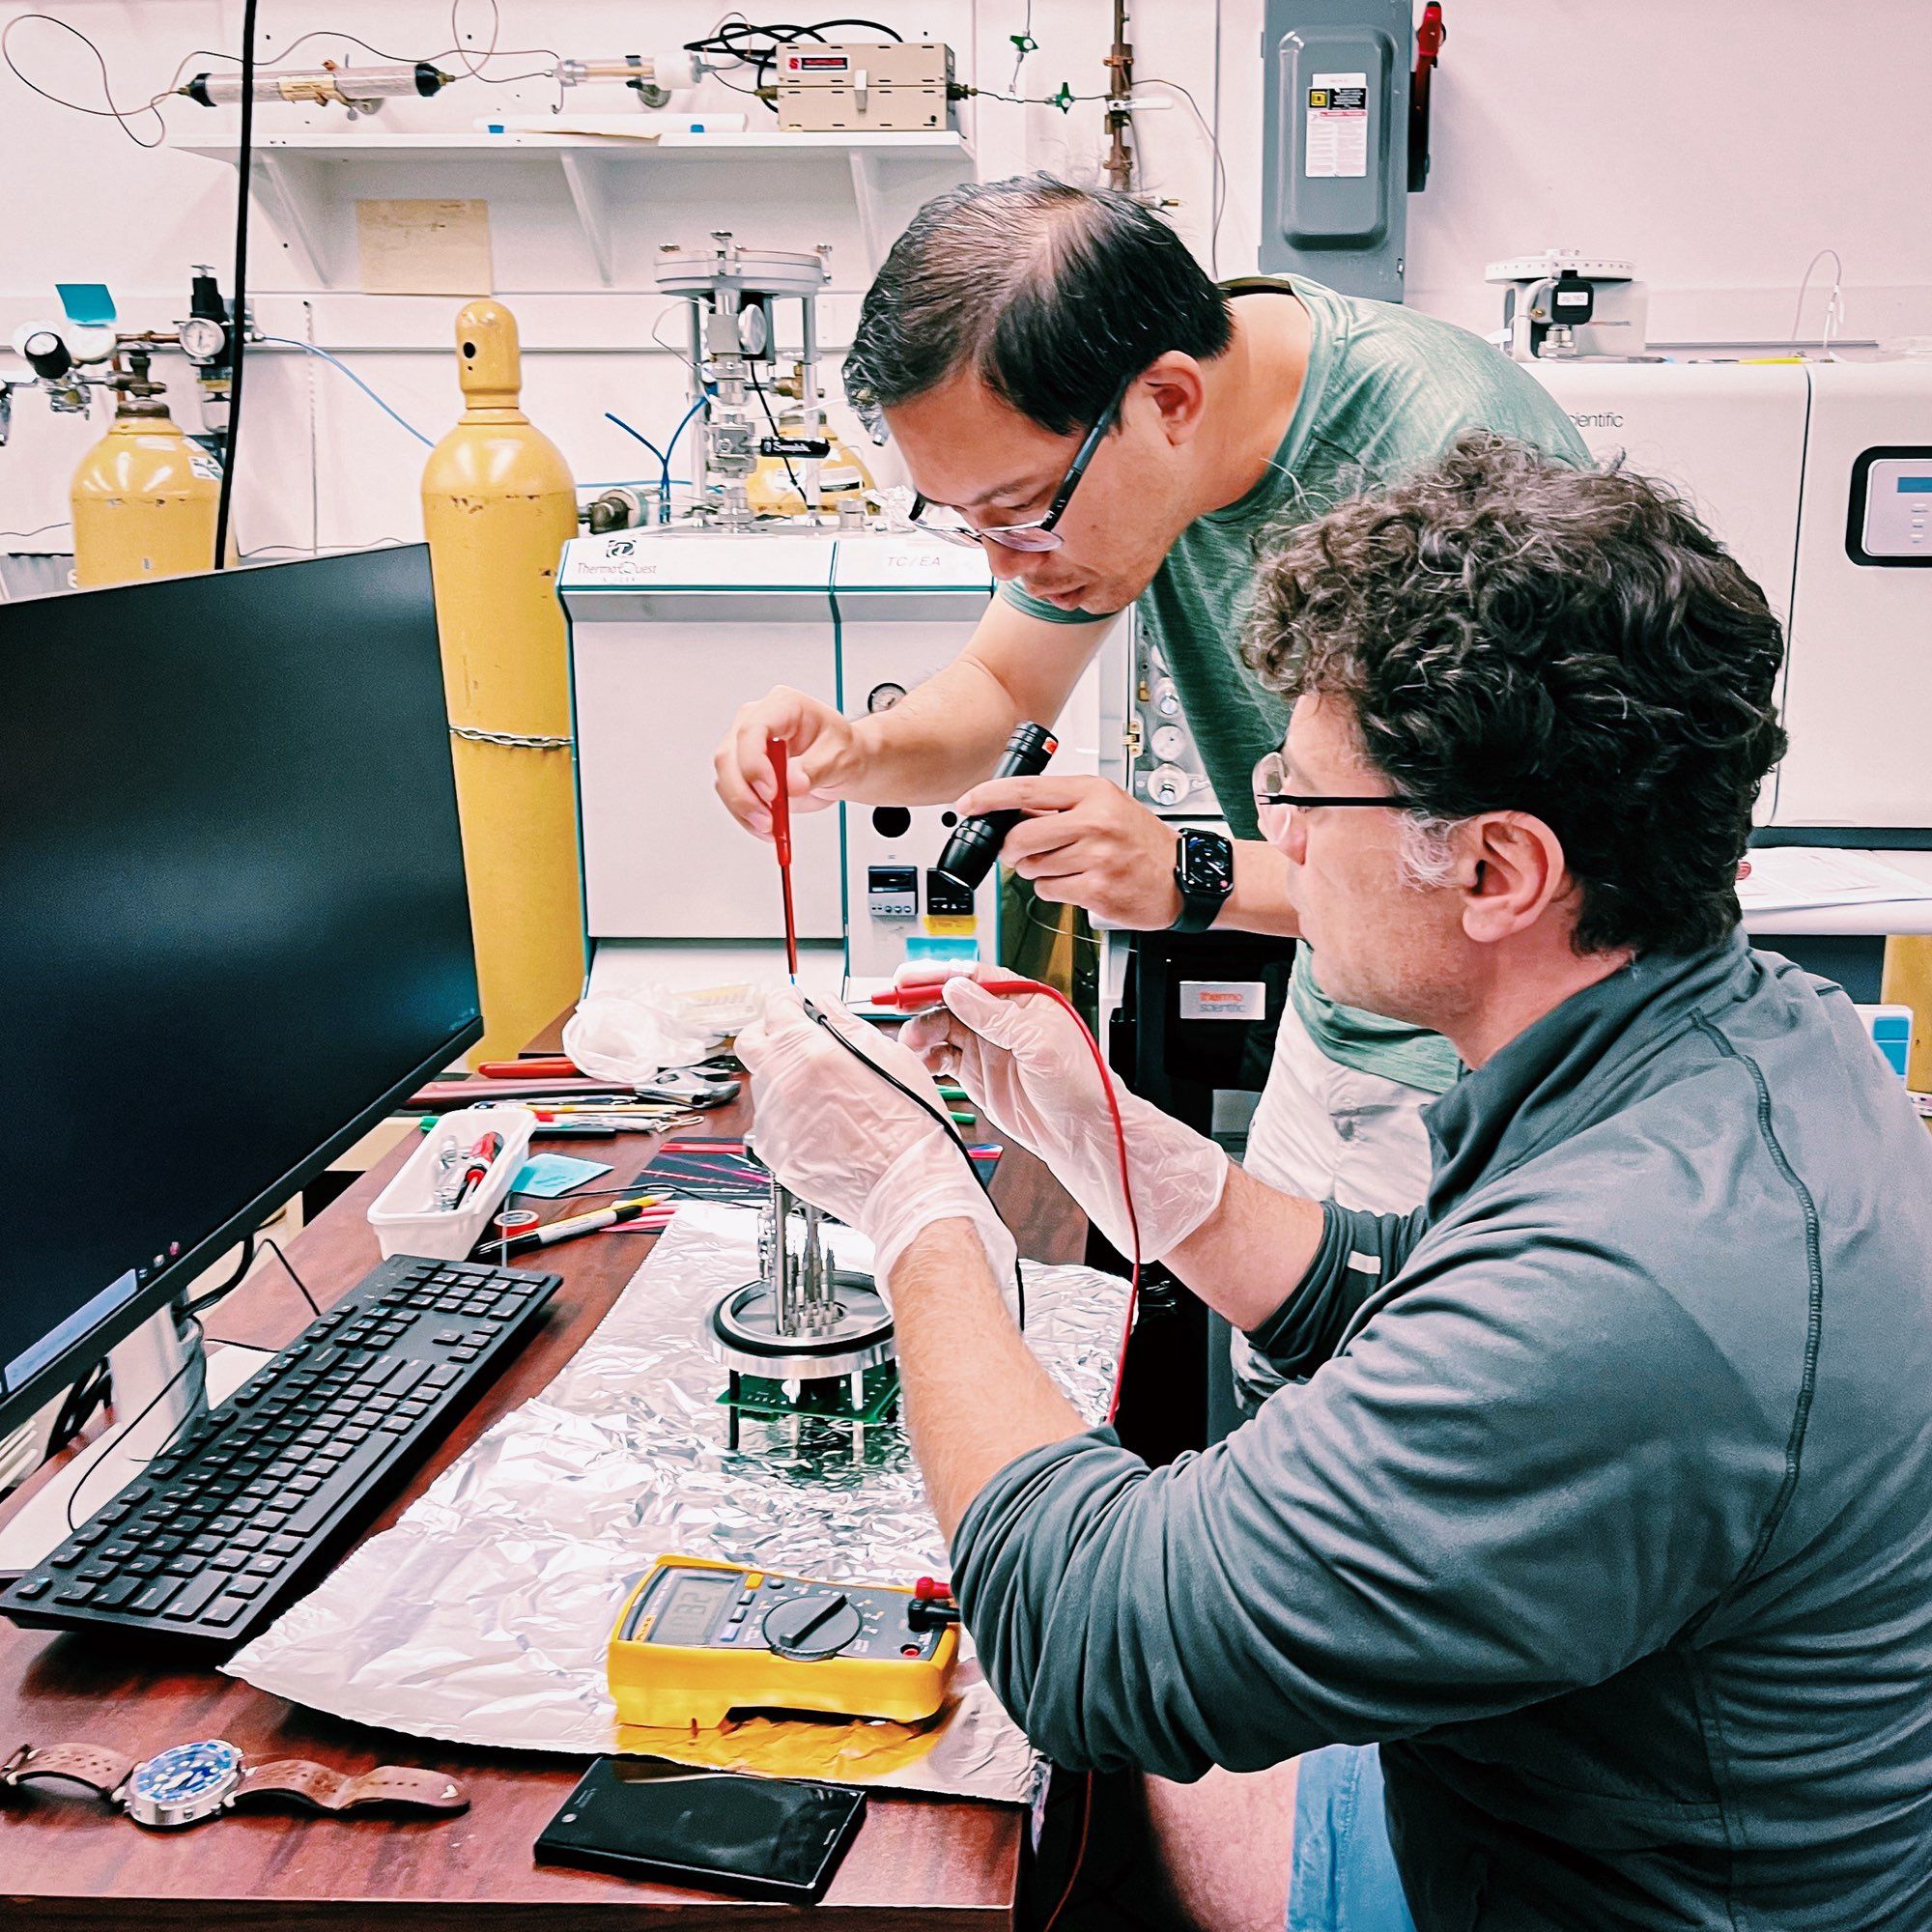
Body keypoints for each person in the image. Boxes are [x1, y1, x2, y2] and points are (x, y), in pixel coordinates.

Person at [734, 436, 1932, 1932]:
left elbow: (1095, 1637)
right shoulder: (1759, 1053)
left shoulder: (1641, 1290)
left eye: (1306, 799)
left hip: (1582, 1899)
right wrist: (1155, 1175)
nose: (1274, 837)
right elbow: (1438, 1289)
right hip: (1587, 1800)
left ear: (1499, 869)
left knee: (1072, 1785)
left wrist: (912, 1203)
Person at [713, 176, 1591, 1411]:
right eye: (965, 522)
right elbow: (997, 690)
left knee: (1412, 1483)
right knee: (1278, 1406)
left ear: (1166, 400)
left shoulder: (1448, 466)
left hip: (1496, 1083)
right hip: (1334, 1025)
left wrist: (1194, 873)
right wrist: (854, 751)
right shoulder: (1137, 439)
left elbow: (1523, 881)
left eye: (1019, 514)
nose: (1009, 558)